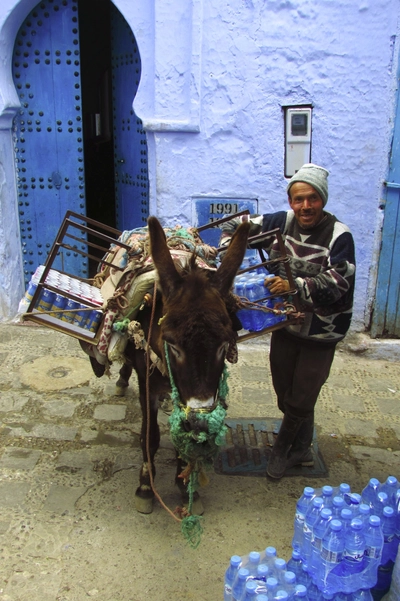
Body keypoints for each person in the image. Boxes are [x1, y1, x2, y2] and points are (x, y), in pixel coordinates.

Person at [220, 163, 356, 480]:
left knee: (302, 394)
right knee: (284, 391)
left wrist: (295, 287)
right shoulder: (280, 222)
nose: (305, 206)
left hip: (323, 329)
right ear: (291, 200)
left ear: (322, 199)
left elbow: (339, 281)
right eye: (298, 199)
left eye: (312, 199)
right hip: (284, 323)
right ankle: (303, 447)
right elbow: (235, 226)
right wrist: (231, 252)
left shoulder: (339, 235)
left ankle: (286, 451)